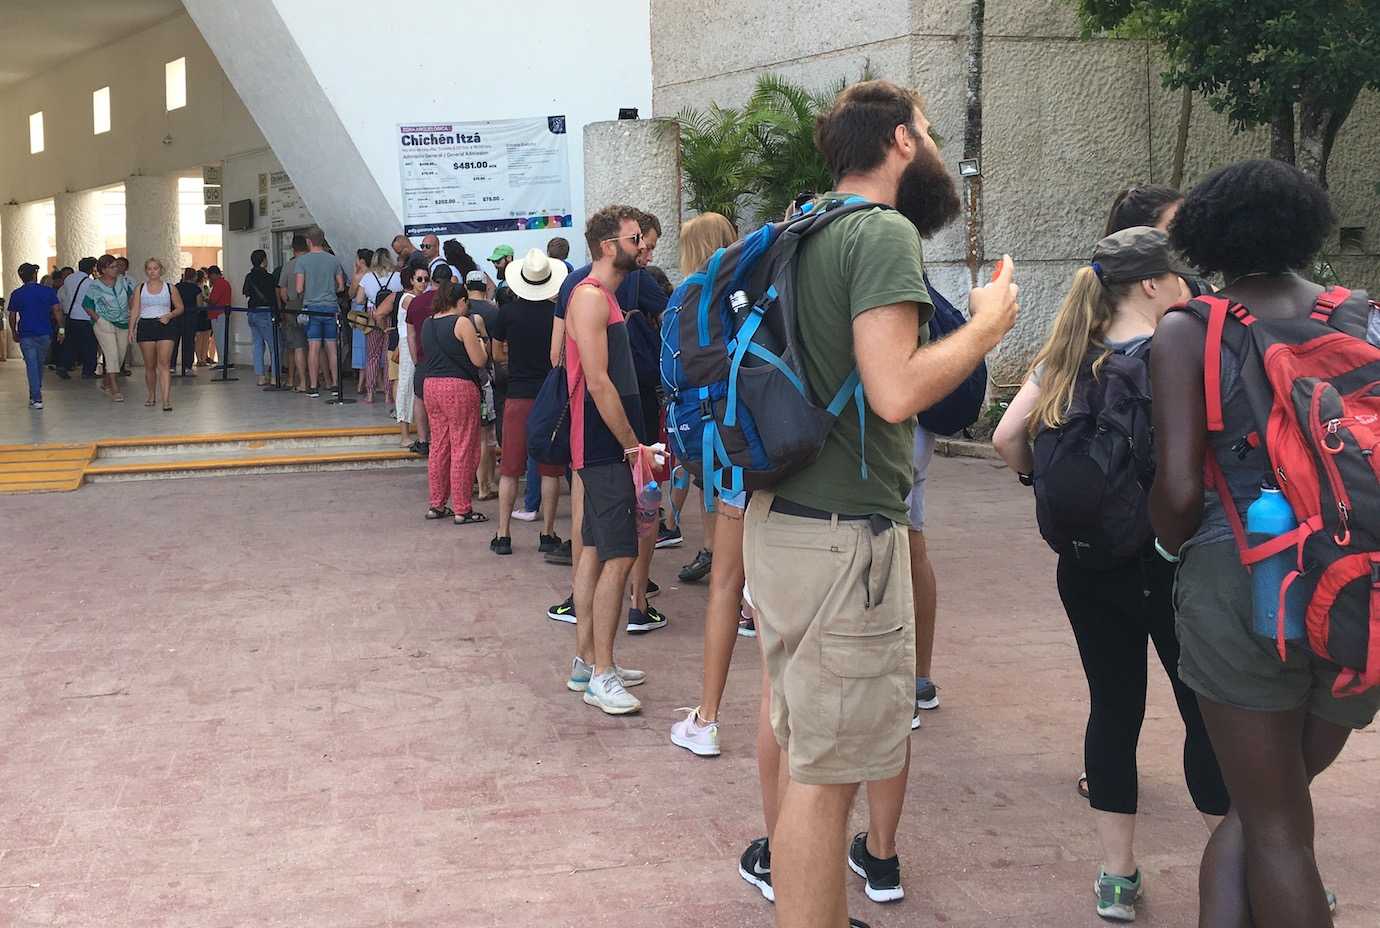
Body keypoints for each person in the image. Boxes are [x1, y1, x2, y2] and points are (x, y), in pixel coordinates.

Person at [739, 81, 1017, 927]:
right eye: (929, 135)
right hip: (844, 543)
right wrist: (986, 327)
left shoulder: (801, 226)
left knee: (801, 753)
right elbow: (894, 391)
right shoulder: (883, 232)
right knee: (829, 786)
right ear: (901, 140)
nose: (933, 151)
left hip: (781, 524)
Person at [1151, 159, 1380, 928]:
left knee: (1269, 823)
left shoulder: (1191, 329)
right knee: (1269, 812)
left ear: (1204, 236)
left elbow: (1180, 492)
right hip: (1358, 587)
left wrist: (1165, 547)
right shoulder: (1365, 315)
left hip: (1244, 579)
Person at [993, 227, 1228, 922]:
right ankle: (1247, 858)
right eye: (1178, 278)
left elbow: (1008, 438)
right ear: (1152, 284)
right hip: (1166, 561)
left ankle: (1117, 876)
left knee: (1114, 708)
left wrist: (1039, 479)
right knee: (1203, 715)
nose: (1187, 288)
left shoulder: (1066, 356)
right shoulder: (1175, 355)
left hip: (1086, 565)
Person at [561, 204, 660, 716]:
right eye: (635, 237)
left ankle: (589, 662)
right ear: (608, 246)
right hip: (604, 447)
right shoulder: (591, 299)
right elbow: (598, 381)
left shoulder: (599, 298)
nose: (643, 244)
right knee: (619, 554)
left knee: (598, 550)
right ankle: (601, 673)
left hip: (605, 446)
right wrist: (631, 445)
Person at [667, 212, 749, 757]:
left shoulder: (685, 298)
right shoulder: (752, 292)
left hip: (723, 452)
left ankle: (708, 716)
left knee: (726, 581)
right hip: (772, 446)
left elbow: (673, 377)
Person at [660, 211, 739, 561]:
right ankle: (733, 570)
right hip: (725, 405)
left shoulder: (684, 293)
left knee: (710, 482)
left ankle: (711, 550)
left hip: (692, 411)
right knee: (734, 488)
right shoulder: (727, 289)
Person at [488, 249, 567, 556]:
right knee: (549, 469)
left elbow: (496, 354)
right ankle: (547, 534)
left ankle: (503, 534)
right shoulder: (555, 314)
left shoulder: (507, 313)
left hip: (517, 395)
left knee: (509, 468)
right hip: (549, 396)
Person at [418, 282, 489, 525]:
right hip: (458, 387)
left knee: (439, 445)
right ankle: (462, 508)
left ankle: (436, 504)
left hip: (431, 386)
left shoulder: (428, 323)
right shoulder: (462, 323)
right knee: (463, 446)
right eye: (465, 302)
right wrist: (481, 340)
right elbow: (479, 360)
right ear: (459, 301)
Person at [128, 258, 185, 411]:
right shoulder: (140, 288)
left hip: (165, 324)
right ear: (146, 271)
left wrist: (169, 315)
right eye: (149, 269)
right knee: (150, 365)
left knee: (164, 364)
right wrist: (130, 329)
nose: (152, 271)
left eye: (155, 268)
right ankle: (151, 394)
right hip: (146, 325)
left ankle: (166, 399)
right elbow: (135, 310)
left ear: (161, 270)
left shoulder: (170, 288)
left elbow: (180, 307)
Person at [295, 226, 345, 397]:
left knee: (314, 347)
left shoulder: (302, 262)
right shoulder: (333, 260)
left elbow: (299, 288)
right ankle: (335, 385)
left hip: (312, 309)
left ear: (308, 241)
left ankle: (314, 386)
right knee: (332, 347)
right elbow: (341, 286)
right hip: (331, 308)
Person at [407, 264, 450, 453]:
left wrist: (416, 359)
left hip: (424, 358)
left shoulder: (416, 302)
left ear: (431, 280)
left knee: (419, 398)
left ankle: (423, 440)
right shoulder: (452, 301)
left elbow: (411, 335)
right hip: (449, 359)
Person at [8, 263, 63, 408]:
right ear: (34, 275)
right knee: (39, 364)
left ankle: (36, 397)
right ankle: (36, 393)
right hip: (45, 333)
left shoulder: (17, 294)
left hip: (26, 334)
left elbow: (12, 315)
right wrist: (62, 330)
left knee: (32, 365)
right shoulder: (47, 291)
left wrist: (13, 331)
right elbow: (57, 311)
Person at [83, 254, 134, 402]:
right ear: (103, 270)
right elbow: (87, 305)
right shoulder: (95, 286)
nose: (115, 269)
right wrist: (98, 320)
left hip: (123, 323)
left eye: (116, 266)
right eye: (112, 267)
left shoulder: (123, 282)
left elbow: (131, 298)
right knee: (111, 354)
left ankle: (106, 381)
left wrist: (132, 313)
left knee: (119, 355)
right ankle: (114, 388)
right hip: (104, 323)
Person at [388, 264, 428, 449]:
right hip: (408, 343)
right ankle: (404, 434)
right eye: (419, 279)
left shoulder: (420, 298)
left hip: (417, 343)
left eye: (426, 279)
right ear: (411, 280)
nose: (423, 283)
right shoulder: (408, 298)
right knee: (405, 385)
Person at [354, 248, 399, 403]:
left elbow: (359, 300)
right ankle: (388, 394)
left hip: (373, 316)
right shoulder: (397, 277)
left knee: (372, 356)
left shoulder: (367, 277)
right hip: (391, 317)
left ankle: (371, 393)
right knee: (388, 357)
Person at [277, 234, 310, 392]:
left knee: (295, 346)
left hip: (292, 308)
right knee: (315, 345)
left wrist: (288, 302)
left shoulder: (288, 266)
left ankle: (296, 381)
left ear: (293, 249)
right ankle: (319, 381)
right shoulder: (312, 264)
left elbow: (282, 292)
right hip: (312, 308)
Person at [55, 257, 98, 379]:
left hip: (70, 315)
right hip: (85, 316)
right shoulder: (90, 282)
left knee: (71, 343)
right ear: (91, 268)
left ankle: (63, 365)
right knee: (90, 345)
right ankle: (88, 371)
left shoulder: (69, 279)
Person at [243, 250, 279, 386]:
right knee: (274, 345)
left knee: (257, 345)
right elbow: (273, 297)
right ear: (264, 261)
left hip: (252, 313)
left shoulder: (249, 276)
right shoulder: (269, 277)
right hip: (265, 313)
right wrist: (278, 315)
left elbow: (246, 293)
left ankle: (261, 377)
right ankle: (276, 377)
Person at [171, 269, 202, 378]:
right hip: (190, 318)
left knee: (174, 342)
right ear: (194, 277)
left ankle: (172, 366)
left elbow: (172, 302)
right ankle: (188, 367)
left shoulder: (176, 287)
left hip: (176, 318)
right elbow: (199, 304)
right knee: (189, 342)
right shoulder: (196, 289)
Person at [206, 266, 232, 370]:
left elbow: (213, 300)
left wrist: (205, 299)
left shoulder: (219, 284)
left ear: (213, 274)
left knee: (220, 339)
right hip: (222, 313)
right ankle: (226, 361)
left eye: (210, 276)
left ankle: (223, 362)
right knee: (223, 338)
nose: (209, 279)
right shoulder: (224, 283)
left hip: (218, 314)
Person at [193, 268, 215, 366]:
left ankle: (199, 359)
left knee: (198, 338)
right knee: (206, 338)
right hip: (205, 313)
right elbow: (208, 299)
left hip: (196, 314)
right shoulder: (205, 288)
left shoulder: (193, 288)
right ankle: (203, 358)